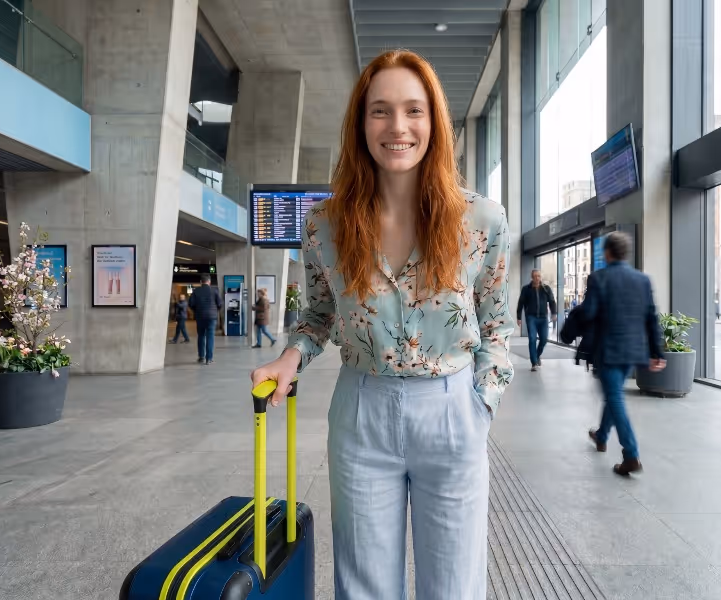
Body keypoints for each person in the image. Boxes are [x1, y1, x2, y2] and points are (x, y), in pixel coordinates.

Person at [250, 50, 514, 600]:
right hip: (361, 413)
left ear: (434, 122)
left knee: (455, 588)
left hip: (452, 412)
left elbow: (497, 326)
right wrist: (290, 356)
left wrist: (480, 401)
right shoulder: (324, 224)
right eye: (380, 111)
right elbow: (319, 314)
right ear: (360, 124)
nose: (398, 127)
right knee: (364, 587)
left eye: (414, 110)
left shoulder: (481, 220)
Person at [580, 232, 665, 476]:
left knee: (615, 397)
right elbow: (651, 317)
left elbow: (589, 313)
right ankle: (601, 435)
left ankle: (631, 454)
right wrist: (657, 351)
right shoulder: (643, 280)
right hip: (633, 351)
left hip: (608, 350)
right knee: (613, 394)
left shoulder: (599, 278)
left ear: (607, 253)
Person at [516, 269, 557, 371]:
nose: (537, 278)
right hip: (531, 318)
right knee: (532, 339)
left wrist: (554, 313)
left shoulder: (546, 289)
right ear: (532, 277)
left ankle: (536, 355)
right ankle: (534, 363)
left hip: (543, 318)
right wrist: (519, 317)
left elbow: (552, 301)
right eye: (535, 276)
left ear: (540, 277)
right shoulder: (526, 289)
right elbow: (520, 303)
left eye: (538, 276)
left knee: (544, 339)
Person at [188, 274, 221, 365]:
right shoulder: (214, 290)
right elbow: (219, 303)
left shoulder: (196, 291)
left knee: (201, 336)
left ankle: (201, 357)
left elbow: (191, 304)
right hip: (211, 317)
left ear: (201, 282)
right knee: (210, 336)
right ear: (209, 281)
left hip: (200, 317)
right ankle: (209, 359)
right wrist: (215, 310)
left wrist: (196, 310)